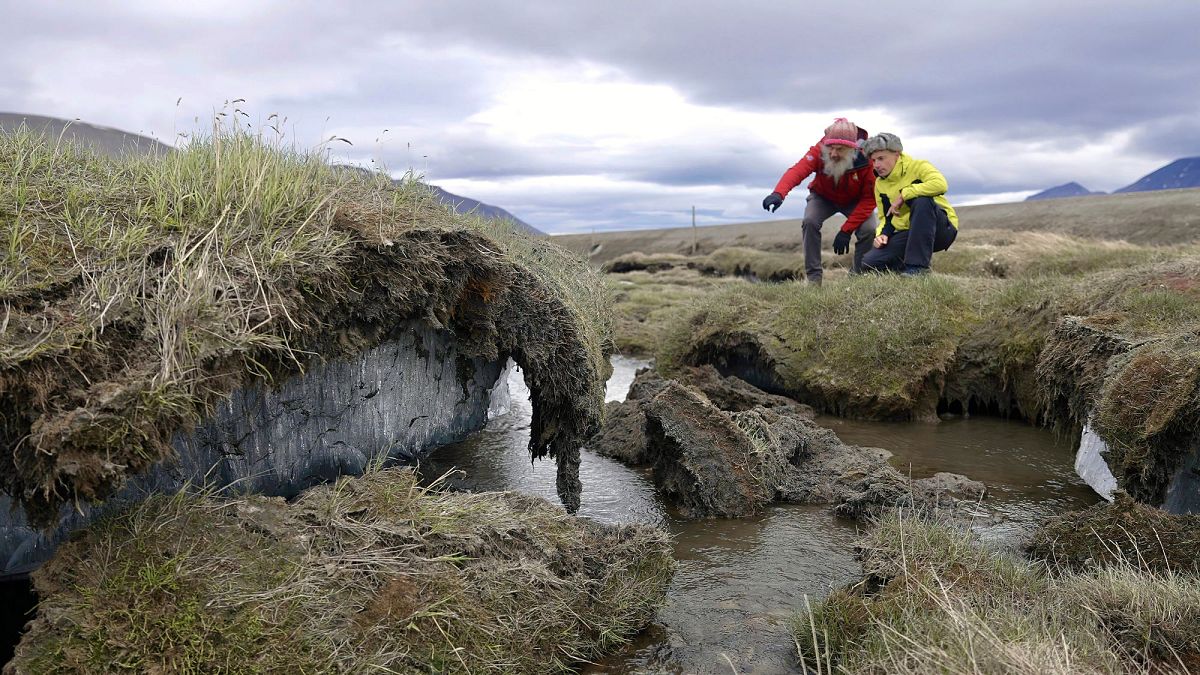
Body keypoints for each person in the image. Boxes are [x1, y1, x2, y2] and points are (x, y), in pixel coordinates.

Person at [762, 118, 877, 285]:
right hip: (823, 197)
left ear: (853, 148)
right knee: (810, 221)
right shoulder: (819, 150)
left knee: (869, 229)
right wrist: (779, 193)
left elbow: (869, 199)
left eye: (840, 149)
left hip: (855, 200)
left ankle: (858, 277)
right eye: (830, 147)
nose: (833, 154)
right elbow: (798, 170)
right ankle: (814, 279)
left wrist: (846, 230)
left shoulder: (868, 160)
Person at [859, 133, 959, 275]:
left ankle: (917, 268)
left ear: (897, 154)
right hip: (911, 233)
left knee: (922, 200)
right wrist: (881, 235)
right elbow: (885, 217)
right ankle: (905, 269)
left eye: (881, 158)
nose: (876, 165)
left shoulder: (919, 166)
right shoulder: (880, 184)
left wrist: (904, 194)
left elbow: (941, 185)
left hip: (942, 229)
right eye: (874, 160)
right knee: (869, 263)